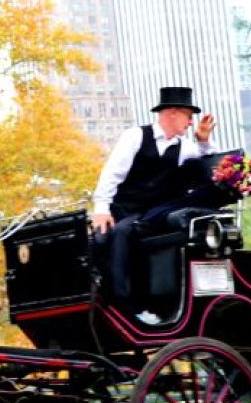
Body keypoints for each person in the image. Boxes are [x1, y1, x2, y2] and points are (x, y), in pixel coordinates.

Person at [91, 86, 216, 324]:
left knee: (131, 232)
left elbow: (207, 167)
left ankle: (149, 304)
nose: (191, 123)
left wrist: (203, 141)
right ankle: (120, 304)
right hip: (124, 211)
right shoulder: (135, 136)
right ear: (173, 112)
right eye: (189, 116)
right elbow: (112, 173)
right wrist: (101, 208)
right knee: (116, 233)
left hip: (154, 214)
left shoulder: (185, 147)